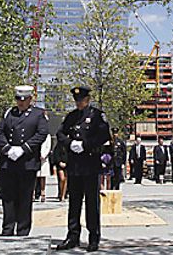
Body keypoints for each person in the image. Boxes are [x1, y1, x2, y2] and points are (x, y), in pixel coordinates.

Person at [56, 86, 111, 252]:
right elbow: (60, 134)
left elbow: (103, 135)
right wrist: (70, 143)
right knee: (74, 203)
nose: (79, 103)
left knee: (91, 204)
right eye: (77, 100)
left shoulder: (96, 115)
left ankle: (93, 237)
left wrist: (85, 145)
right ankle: (72, 236)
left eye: (82, 100)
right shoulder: (71, 117)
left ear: (88, 100)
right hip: (74, 166)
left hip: (90, 164)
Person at [0, 84, 49, 237]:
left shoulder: (38, 114)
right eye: (18, 99)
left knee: (25, 197)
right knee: (8, 197)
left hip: (27, 162)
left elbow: (41, 133)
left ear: (30, 99)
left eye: (24, 100)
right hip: (9, 161)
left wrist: (23, 148)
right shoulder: (9, 113)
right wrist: (7, 148)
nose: (20, 102)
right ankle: (7, 228)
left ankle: (23, 230)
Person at [36, 133, 53, 202]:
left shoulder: (47, 136)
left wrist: (44, 155)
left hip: (44, 159)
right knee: (34, 176)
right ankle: (33, 193)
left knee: (43, 176)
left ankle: (43, 192)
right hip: (35, 158)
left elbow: (48, 147)